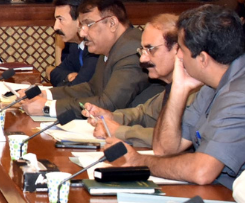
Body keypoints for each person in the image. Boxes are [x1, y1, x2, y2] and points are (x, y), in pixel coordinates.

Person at [110, 5, 245, 188]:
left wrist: (140, 161)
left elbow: (202, 171)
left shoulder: (238, 95)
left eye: (181, 49)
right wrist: (178, 91)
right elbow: (165, 149)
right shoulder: (209, 86)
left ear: (203, 59)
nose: (178, 55)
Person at [22, 0, 150, 116]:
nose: (82, 33)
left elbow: (108, 104)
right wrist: (45, 95)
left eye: (88, 25)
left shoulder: (131, 50)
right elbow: (91, 88)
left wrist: (48, 107)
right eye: (81, 26)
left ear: (112, 23)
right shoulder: (110, 46)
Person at [82, 14, 192, 147]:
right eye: (142, 51)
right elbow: (144, 114)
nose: (142, 59)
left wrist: (118, 131)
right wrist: (110, 117)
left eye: (150, 50)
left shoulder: (195, 90)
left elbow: (171, 140)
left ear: (177, 49)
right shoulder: (172, 86)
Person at [47, 0, 100, 86]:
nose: (56, 27)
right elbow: (55, 73)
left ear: (80, 20)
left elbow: (79, 86)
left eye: (60, 19)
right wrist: (68, 76)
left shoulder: (96, 49)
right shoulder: (75, 47)